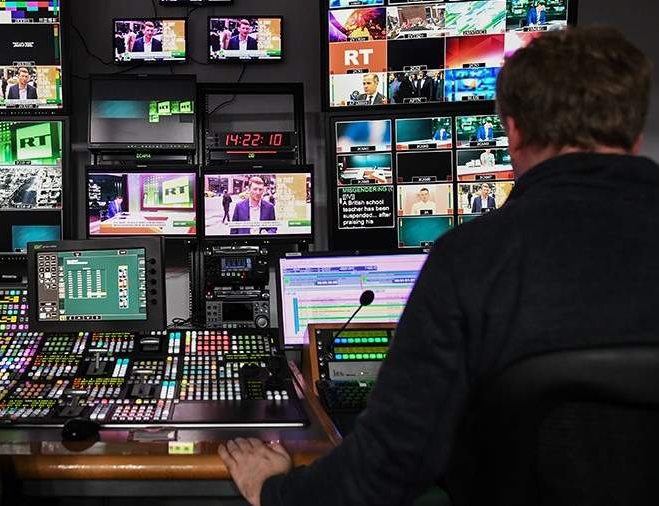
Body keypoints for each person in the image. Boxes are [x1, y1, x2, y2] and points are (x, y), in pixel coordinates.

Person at [219, 26, 656, 506]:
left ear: (513, 131)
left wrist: (273, 491)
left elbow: (388, 466)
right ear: (635, 133)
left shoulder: (471, 260)